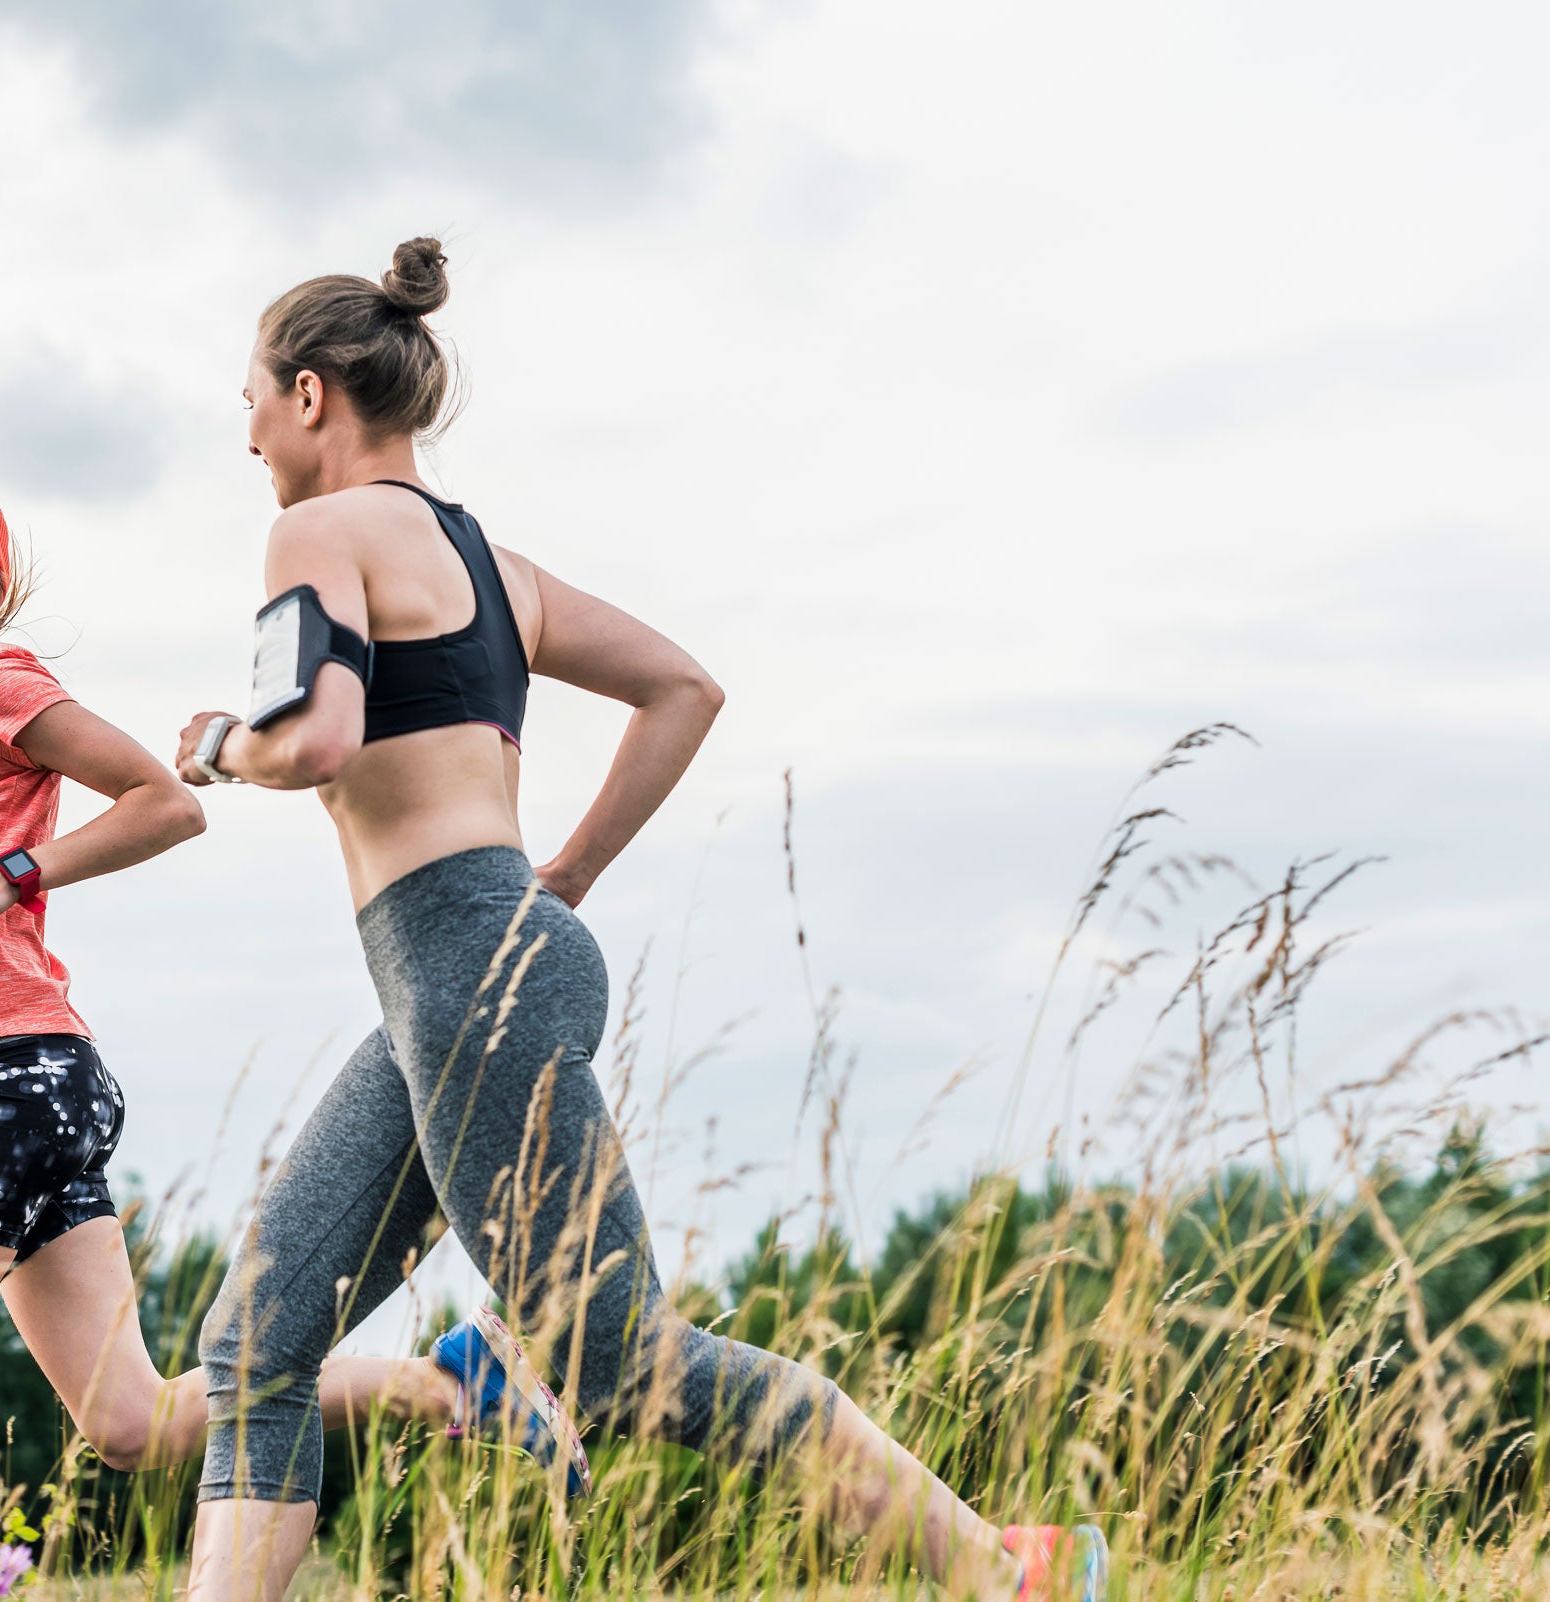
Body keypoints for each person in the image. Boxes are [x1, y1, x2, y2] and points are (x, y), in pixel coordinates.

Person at [171, 241, 1111, 1602]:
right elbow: (683, 687)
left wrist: (217, 745)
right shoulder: (498, 568)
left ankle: (1012, 1568)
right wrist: (565, 878)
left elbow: (316, 736)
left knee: (621, 1361)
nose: (246, 429)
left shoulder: (316, 528)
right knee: (257, 1342)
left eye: (251, 396)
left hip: (465, 970)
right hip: (460, 973)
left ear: (311, 395)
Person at [0, 470, 568, 1602]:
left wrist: (14, 874)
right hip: (24, 1080)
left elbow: (165, 799)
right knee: (133, 1423)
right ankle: (451, 1385)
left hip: (14, 1086)